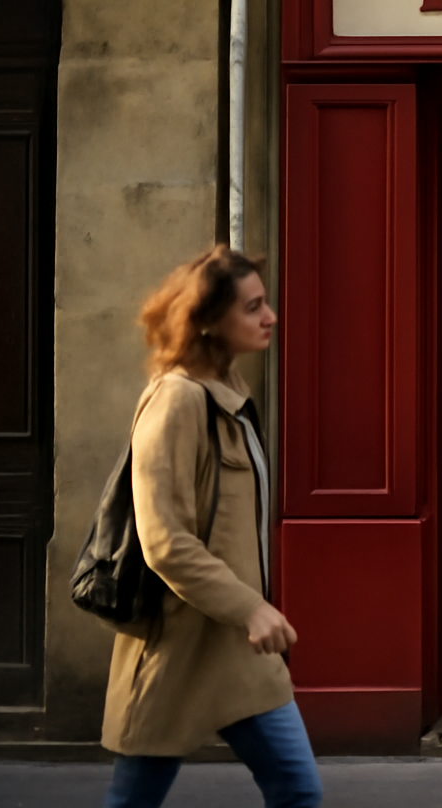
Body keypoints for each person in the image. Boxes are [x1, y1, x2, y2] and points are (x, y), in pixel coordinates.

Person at [101, 245, 322, 808]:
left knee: (297, 790)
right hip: (179, 646)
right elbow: (165, 541)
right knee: (135, 799)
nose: (269, 317)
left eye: (265, 303)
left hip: (239, 654)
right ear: (207, 322)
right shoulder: (176, 402)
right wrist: (250, 607)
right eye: (252, 308)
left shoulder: (229, 397)